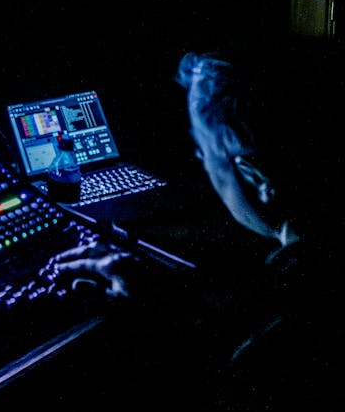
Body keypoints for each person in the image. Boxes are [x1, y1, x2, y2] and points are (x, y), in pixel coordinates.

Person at [40, 42, 342, 406]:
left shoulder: (272, 352)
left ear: (254, 176)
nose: (201, 161)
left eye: (204, 152)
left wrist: (158, 312)